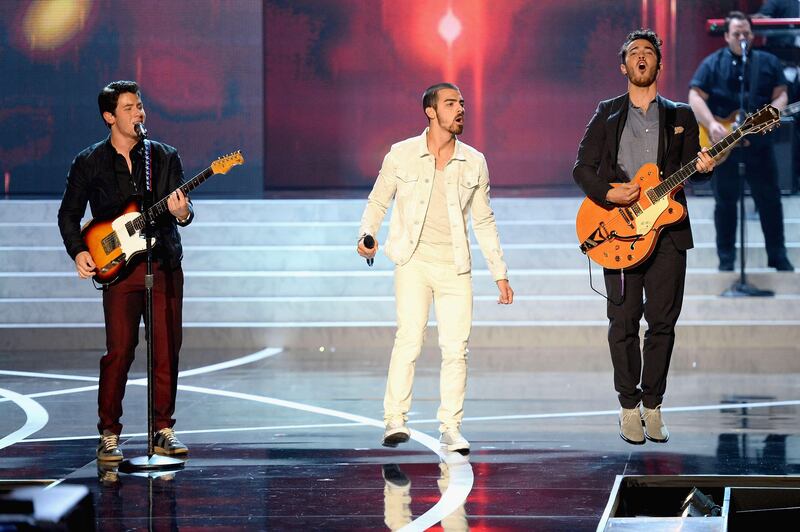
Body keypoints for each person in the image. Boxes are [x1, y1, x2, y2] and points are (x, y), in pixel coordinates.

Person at [573, 30, 715, 445]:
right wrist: (608, 192)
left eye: (648, 53)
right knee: (622, 321)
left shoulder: (681, 115)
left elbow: (696, 174)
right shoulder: (607, 113)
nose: (641, 57)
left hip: (668, 233)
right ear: (623, 66)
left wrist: (707, 165)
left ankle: (653, 405)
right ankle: (627, 406)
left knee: (663, 323)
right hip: (618, 231)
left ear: (658, 65)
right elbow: (581, 167)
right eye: (633, 52)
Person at [358, 83, 513, 453]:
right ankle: (395, 419)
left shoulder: (474, 161)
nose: (461, 109)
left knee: (456, 348)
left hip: (455, 266)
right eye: (451, 103)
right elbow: (378, 201)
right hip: (412, 260)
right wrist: (366, 234)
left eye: (462, 103)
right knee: (408, 338)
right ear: (431, 111)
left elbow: (484, 220)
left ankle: (451, 427)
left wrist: (500, 273)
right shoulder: (401, 154)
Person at [57, 80, 191, 461]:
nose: (139, 113)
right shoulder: (89, 161)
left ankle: (163, 429)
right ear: (109, 116)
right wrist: (79, 251)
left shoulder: (164, 157)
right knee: (119, 351)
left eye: (140, 105)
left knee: (166, 348)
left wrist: (183, 213)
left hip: (162, 261)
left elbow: (183, 208)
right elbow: (69, 213)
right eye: (130, 107)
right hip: (117, 270)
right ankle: (109, 432)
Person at [689, 11, 793, 271]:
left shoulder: (767, 62)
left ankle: (778, 257)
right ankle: (726, 260)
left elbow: (781, 95)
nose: (742, 37)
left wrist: (775, 111)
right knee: (725, 203)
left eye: (746, 33)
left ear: (752, 34)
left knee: (769, 199)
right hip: (723, 147)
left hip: (758, 146)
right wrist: (712, 124)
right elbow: (695, 96)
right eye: (737, 34)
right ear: (726, 36)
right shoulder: (712, 63)